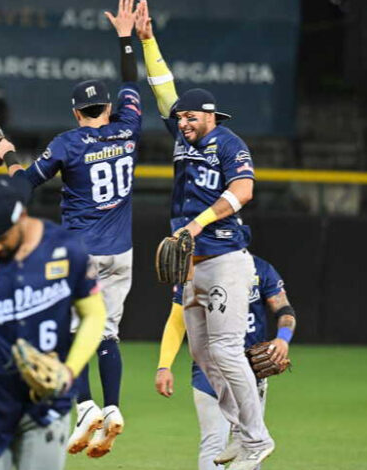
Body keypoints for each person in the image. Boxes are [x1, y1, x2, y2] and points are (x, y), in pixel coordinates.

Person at [0, 0, 141, 458]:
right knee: (107, 334)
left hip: (82, 254)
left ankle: (87, 407)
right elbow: (132, 82)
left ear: (78, 113)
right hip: (122, 254)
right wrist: (124, 39)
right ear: (108, 108)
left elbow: (24, 187)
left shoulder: (68, 144)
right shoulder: (129, 128)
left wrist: (6, 154)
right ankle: (111, 409)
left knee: (63, 332)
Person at [135, 2, 274, 468]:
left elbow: (245, 190)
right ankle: (240, 425)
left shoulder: (229, 144)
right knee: (203, 354)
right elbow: (163, 89)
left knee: (227, 350)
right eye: (180, 118)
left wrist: (197, 223)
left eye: (190, 117)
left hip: (226, 258)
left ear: (210, 116)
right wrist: (147, 41)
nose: (182, 122)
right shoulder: (181, 136)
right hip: (192, 263)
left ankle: (257, 437)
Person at [0, 174, 107, 470]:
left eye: (1, 239)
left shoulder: (66, 249)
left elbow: (94, 314)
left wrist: (68, 371)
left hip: (46, 401)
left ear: (21, 216)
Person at [155, 255, 297, 470]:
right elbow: (176, 321)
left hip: (250, 370)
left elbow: (284, 310)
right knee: (214, 444)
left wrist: (283, 339)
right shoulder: (195, 271)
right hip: (209, 371)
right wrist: (164, 365)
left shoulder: (260, 269)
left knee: (252, 445)